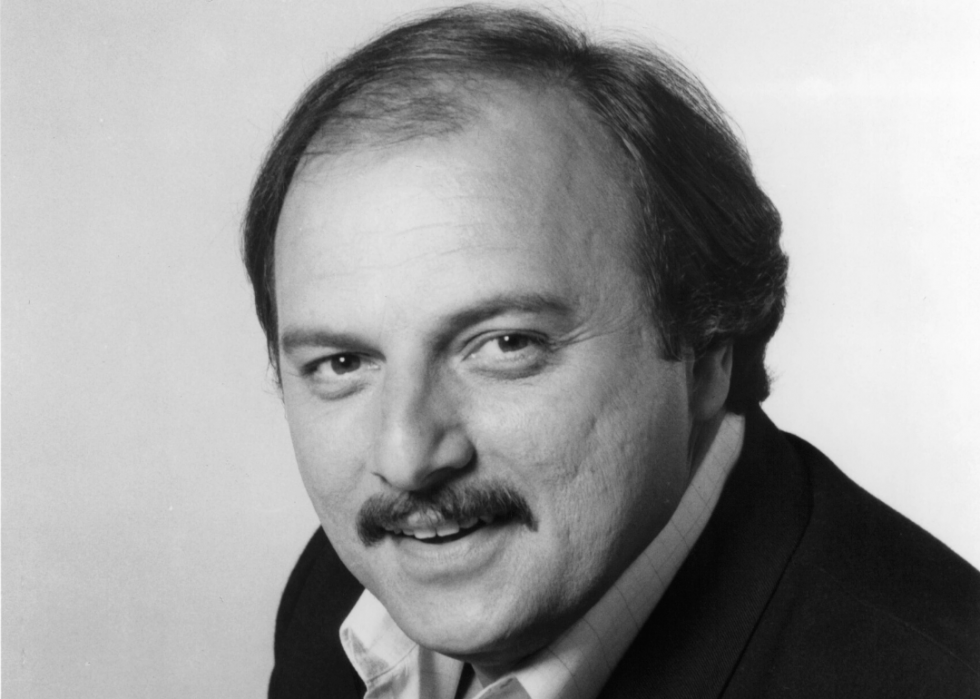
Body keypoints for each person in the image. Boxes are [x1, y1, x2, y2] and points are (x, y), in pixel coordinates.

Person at [242, 6, 980, 698]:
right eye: (342, 363)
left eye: (506, 344)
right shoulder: (342, 594)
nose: (406, 458)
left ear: (705, 352)